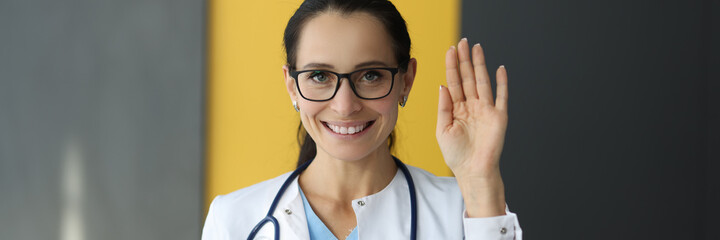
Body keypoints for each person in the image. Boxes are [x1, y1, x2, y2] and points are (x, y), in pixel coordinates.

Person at [202, 0, 522, 239]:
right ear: (292, 87)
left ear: (406, 80)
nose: (344, 105)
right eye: (319, 76)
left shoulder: (464, 211)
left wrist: (481, 182)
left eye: (370, 75)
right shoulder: (234, 220)